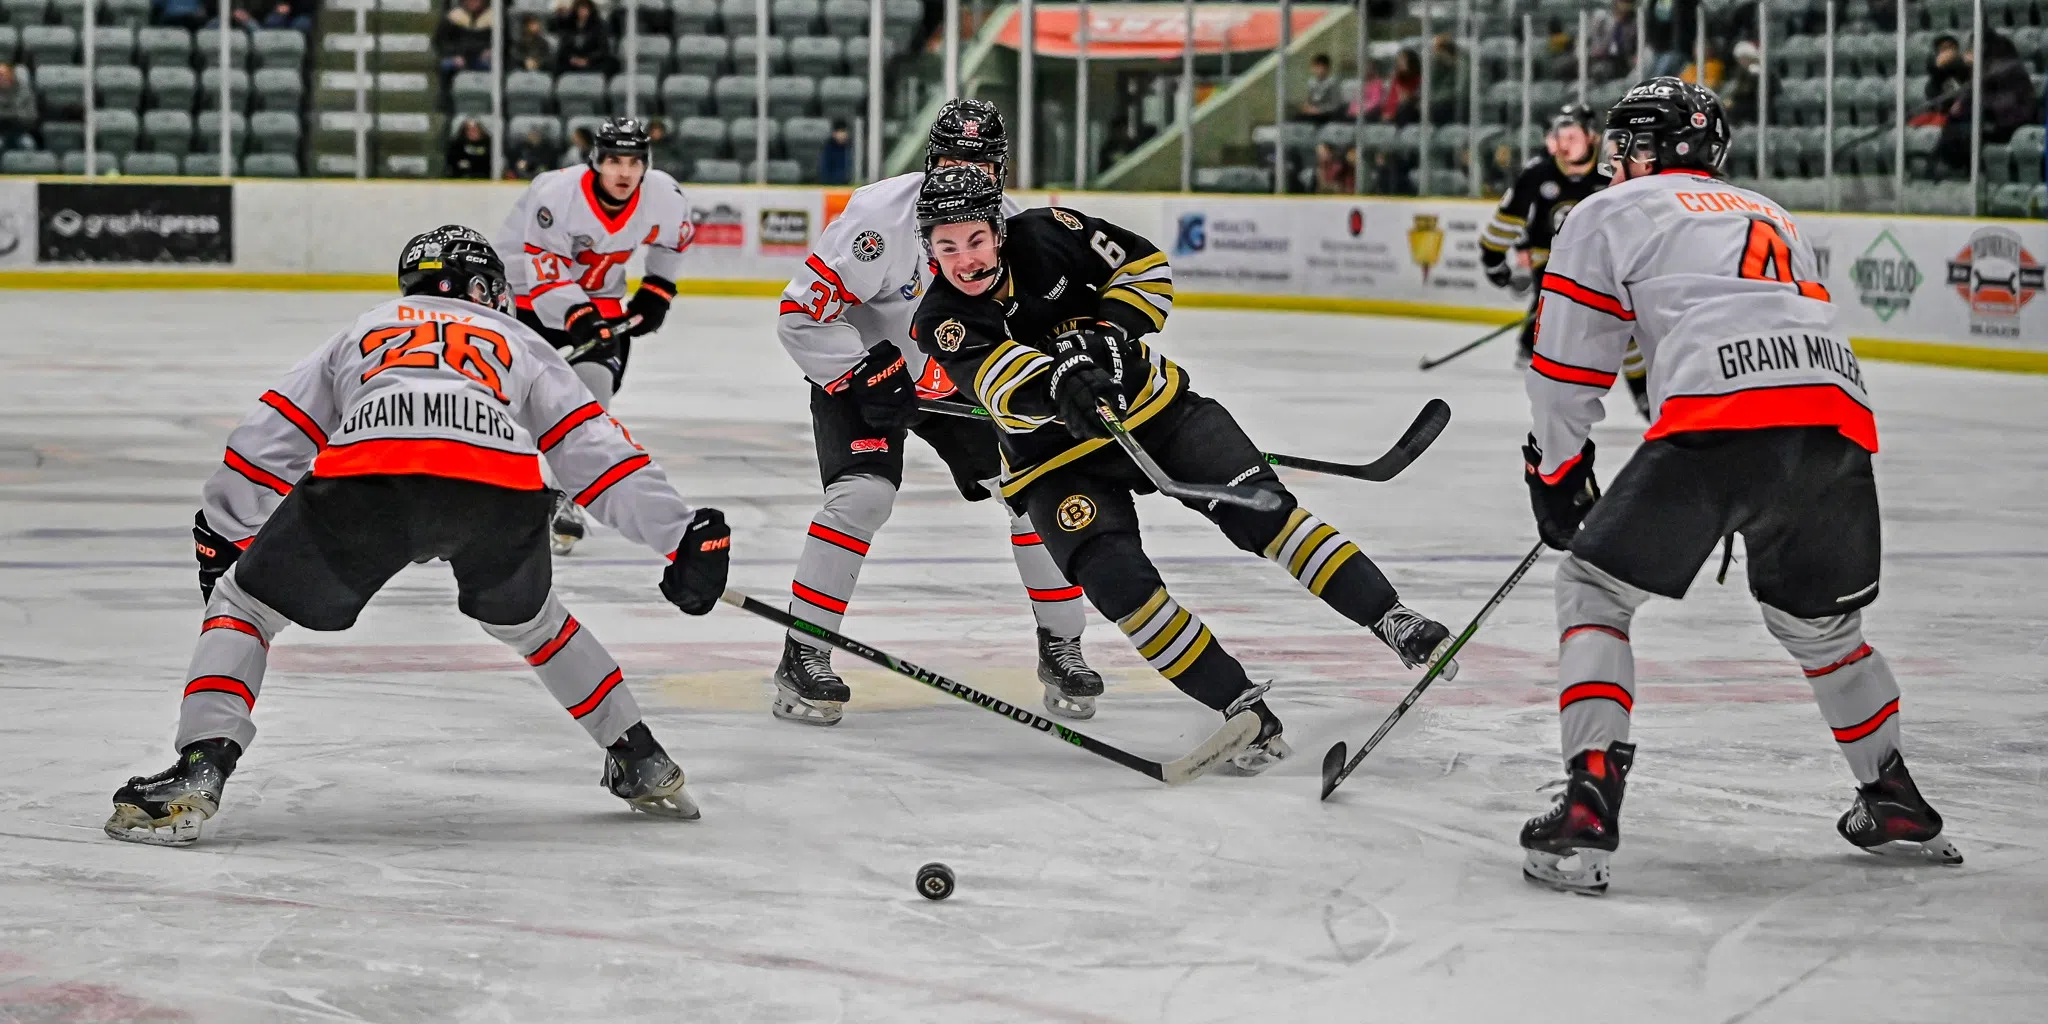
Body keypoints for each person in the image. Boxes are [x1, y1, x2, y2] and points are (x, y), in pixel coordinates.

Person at [103, 226, 730, 846]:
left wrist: (226, 526)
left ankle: (200, 767)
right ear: (485, 289)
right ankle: (641, 756)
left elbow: (272, 435)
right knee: (537, 625)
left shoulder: (367, 326)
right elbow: (593, 452)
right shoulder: (518, 338)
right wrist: (679, 537)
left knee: (243, 606)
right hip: (498, 489)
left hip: (369, 478)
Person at [1516, 78, 1959, 895]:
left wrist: (1556, 470)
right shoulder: (1771, 211)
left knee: (1592, 588)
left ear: (1651, 151)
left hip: (1721, 419)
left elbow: (1566, 369)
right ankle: (1893, 798)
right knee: (1824, 630)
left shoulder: (1604, 214)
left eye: (1628, 144)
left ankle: (1587, 804)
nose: (1618, 160)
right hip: (1834, 422)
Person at [910, 167, 1458, 774]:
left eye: (975, 240)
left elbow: (1144, 267)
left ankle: (1392, 618)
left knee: (1268, 515)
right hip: (1054, 462)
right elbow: (999, 382)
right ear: (930, 250)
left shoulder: (1049, 234)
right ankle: (1238, 705)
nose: (965, 259)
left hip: (1158, 410)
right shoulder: (940, 319)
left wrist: (1111, 332)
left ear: (999, 231)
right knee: (1119, 584)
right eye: (947, 246)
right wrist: (1063, 380)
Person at [769, 100, 1103, 725]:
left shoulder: (1016, 231)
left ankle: (1062, 642)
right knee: (862, 497)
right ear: (930, 164)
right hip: (867, 373)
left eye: (980, 166)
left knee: (1033, 489)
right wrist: (863, 368)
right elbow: (799, 314)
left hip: (958, 381)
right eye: (952, 162)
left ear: (1001, 173)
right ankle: (803, 653)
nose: (964, 178)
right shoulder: (878, 218)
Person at [492, 117, 693, 553]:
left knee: (592, 397)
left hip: (600, 300)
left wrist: (657, 290)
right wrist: (578, 316)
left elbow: (672, 243)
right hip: (527, 300)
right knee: (514, 406)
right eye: (615, 161)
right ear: (596, 161)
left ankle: (564, 495)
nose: (625, 172)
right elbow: (542, 273)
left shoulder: (664, 195)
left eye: (634, 162)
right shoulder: (556, 195)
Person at [1479, 102, 1649, 423]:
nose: (1565, 143)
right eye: (1560, 135)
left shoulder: (1612, 173)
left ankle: (1644, 395)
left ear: (1592, 137)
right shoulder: (1538, 173)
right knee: (1557, 301)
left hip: (1603, 266)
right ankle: (1542, 354)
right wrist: (1494, 261)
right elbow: (1508, 218)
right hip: (1553, 256)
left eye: (1572, 135)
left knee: (1626, 324)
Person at [435, 0, 495, 88]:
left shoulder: (494, 18)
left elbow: (506, 43)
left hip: (484, 60)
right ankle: (447, 100)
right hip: (460, 59)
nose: (473, 2)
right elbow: (440, 42)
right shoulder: (453, 17)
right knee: (446, 65)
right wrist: (454, 55)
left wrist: (492, 51)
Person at [554, 0, 616, 76]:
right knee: (557, 64)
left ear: (590, 10)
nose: (582, 12)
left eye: (585, 9)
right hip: (572, 61)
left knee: (609, 63)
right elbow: (563, 47)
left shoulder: (599, 26)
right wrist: (572, 58)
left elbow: (603, 49)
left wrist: (587, 60)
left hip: (592, 61)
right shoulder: (568, 25)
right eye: (580, 9)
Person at [1299, 53, 1344, 125]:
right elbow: (1309, 100)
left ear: (1327, 68)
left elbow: (1335, 105)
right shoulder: (1311, 82)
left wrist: (1319, 110)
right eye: (1316, 67)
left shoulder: (1333, 83)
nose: (1319, 70)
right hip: (1313, 113)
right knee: (1297, 118)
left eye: (1321, 67)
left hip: (1327, 115)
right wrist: (1306, 106)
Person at [0, 65, 37, 152]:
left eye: (3, 76)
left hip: (21, 131)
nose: (2, 79)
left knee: (28, 144)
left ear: (11, 76)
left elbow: (32, 115)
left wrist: (14, 116)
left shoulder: (26, 93)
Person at [817, 120, 853, 185]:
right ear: (834, 133)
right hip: (830, 185)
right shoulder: (827, 148)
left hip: (848, 185)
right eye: (839, 132)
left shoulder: (850, 148)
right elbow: (824, 170)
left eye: (843, 131)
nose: (842, 135)